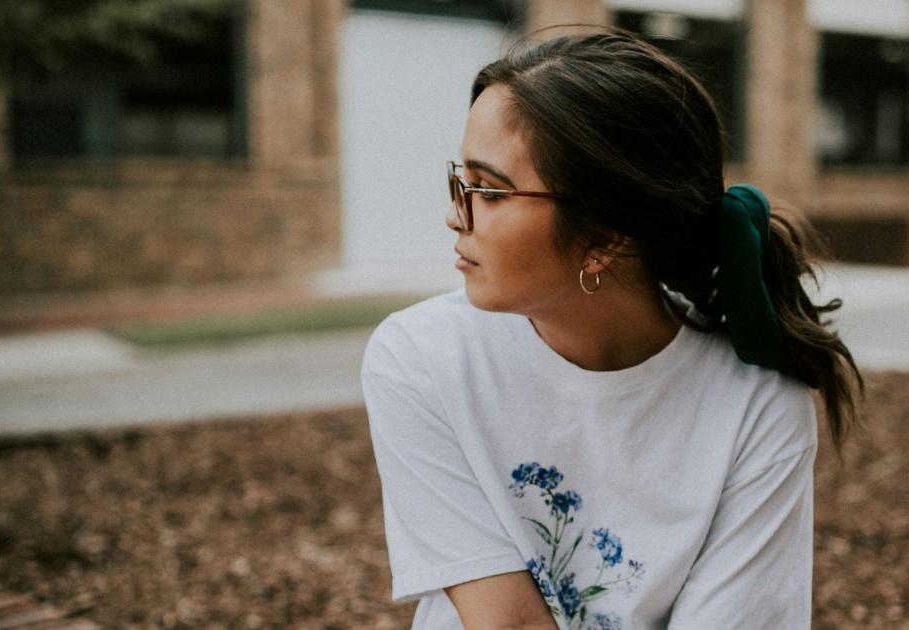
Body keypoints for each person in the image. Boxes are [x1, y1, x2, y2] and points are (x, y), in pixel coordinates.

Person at [362, 30, 861, 630]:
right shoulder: (421, 358)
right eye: (460, 180)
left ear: (605, 236)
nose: (454, 213)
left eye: (488, 191)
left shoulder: (757, 406)